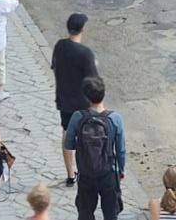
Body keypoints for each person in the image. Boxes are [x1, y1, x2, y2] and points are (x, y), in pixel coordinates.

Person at [64, 76, 126, 220]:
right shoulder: (115, 118)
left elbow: (68, 144)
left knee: (85, 213)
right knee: (111, 214)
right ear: (104, 93)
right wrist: (121, 170)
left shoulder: (77, 117)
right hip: (109, 173)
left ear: (86, 97)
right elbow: (121, 149)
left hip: (86, 173)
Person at [52, 12, 98, 186]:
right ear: (83, 29)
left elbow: (54, 66)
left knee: (66, 134)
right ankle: (87, 172)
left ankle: (70, 174)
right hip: (83, 103)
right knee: (86, 138)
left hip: (64, 100)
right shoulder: (85, 53)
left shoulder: (60, 46)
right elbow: (94, 82)